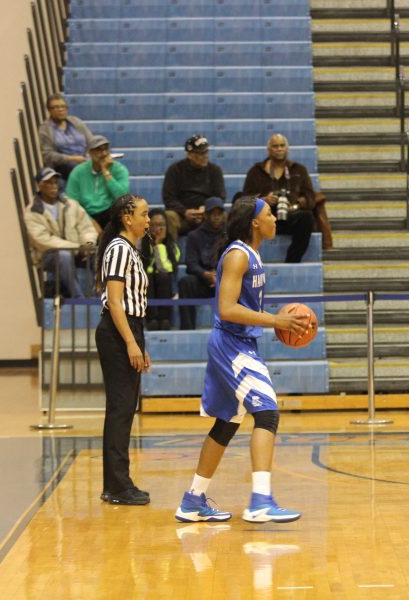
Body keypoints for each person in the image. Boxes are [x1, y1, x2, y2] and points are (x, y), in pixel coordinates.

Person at [174, 196, 309, 523]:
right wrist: (275, 321)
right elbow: (226, 308)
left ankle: (192, 500)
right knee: (268, 412)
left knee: (227, 423)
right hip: (231, 345)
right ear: (253, 222)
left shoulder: (251, 253)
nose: (275, 219)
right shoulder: (237, 255)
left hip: (239, 342)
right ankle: (261, 500)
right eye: (269, 215)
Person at [93, 194, 152, 506]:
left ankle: (119, 481)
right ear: (127, 218)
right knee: (120, 408)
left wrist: (140, 342)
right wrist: (130, 342)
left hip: (129, 328)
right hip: (117, 331)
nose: (148, 219)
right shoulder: (119, 248)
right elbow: (115, 302)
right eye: (143, 214)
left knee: (125, 408)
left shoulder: (129, 249)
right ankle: (116, 485)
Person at [241, 134, 316, 261]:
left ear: (287, 149)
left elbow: (310, 197)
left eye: (282, 146)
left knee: (307, 218)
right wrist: (264, 200)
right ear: (269, 150)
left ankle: (292, 262)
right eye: (275, 146)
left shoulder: (299, 170)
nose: (279, 149)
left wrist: (295, 206)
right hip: (264, 218)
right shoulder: (256, 171)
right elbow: (244, 200)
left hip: (290, 215)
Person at [24, 167, 97, 298]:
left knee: (100, 254)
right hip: (48, 256)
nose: (54, 186)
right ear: (40, 186)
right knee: (64, 256)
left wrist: (88, 243)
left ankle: (102, 299)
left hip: (77, 250)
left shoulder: (71, 204)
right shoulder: (33, 211)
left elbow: (86, 228)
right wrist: (77, 247)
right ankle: (79, 299)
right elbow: (44, 241)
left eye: (55, 182)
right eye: (49, 183)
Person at [162, 134, 227, 241]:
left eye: (206, 152)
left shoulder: (215, 170)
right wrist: (184, 211)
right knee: (169, 216)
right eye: (201, 153)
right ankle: (171, 254)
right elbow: (169, 198)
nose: (205, 156)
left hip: (208, 214)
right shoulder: (175, 170)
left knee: (226, 217)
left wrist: (207, 208)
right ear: (190, 155)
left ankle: (224, 253)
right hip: (182, 216)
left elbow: (220, 196)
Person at [179, 197, 227, 330]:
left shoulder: (228, 235)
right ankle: (187, 329)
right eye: (213, 214)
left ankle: (237, 330)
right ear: (206, 215)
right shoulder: (194, 236)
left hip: (225, 280)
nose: (217, 217)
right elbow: (191, 263)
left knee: (241, 280)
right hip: (203, 280)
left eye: (219, 214)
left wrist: (220, 275)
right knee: (186, 282)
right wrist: (205, 274)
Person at [66, 135, 130, 228]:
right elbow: (72, 201)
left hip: (110, 212)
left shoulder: (119, 169)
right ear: (90, 153)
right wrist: (90, 221)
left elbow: (122, 197)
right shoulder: (78, 172)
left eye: (106, 149)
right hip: (86, 215)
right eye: (98, 150)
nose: (104, 153)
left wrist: (106, 172)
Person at [139, 208, 180, 330]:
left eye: (162, 225)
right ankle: (151, 319)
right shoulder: (140, 245)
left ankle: (164, 319)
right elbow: (142, 269)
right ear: (148, 227)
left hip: (165, 284)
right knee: (148, 277)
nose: (159, 229)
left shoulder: (173, 247)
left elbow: (164, 269)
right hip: (146, 285)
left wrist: (158, 245)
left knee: (163, 277)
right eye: (154, 225)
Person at [38, 93, 94, 179]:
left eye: (63, 106)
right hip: (63, 167)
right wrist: (71, 159)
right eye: (56, 107)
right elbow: (48, 155)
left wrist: (89, 156)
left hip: (85, 160)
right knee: (79, 171)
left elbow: (91, 141)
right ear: (49, 110)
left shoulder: (76, 121)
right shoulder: (45, 129)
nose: (60, 110)